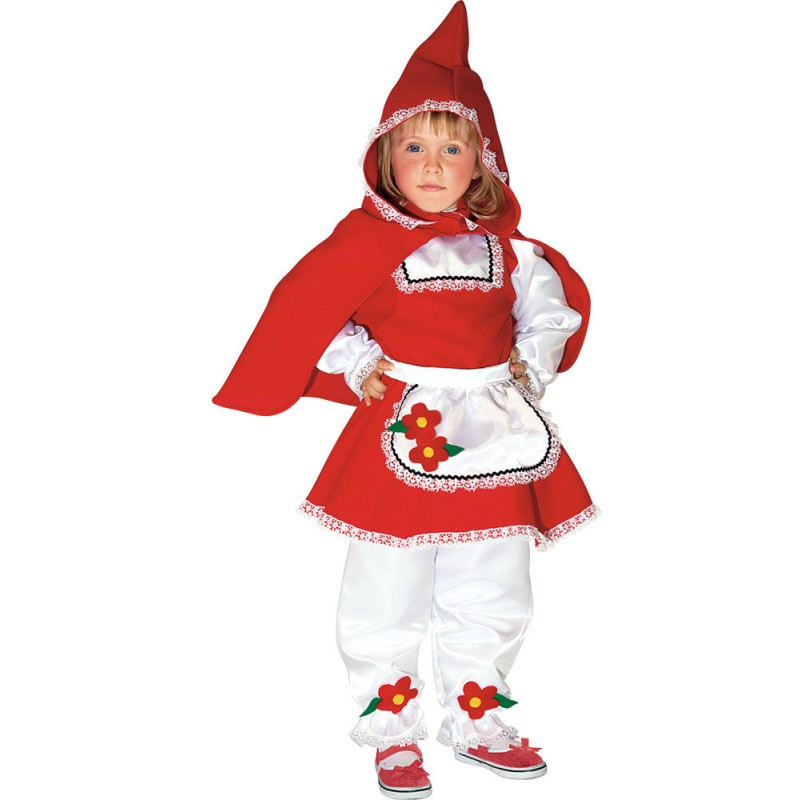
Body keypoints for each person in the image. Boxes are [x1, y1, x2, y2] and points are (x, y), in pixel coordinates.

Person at [213, 3, 597, 797]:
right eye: (414, 146)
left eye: (452, 148)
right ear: (385, 157)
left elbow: (550, 314)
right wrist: (358, 364)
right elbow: (315, 311)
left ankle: (477, 717)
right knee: (387, 582)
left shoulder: (513, 254)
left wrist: (528, 365)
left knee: (494, 580)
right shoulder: (365, 244)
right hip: (405, 434)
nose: (431, 163)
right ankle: (390, 726)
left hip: (494, 432)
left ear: (482, 166)